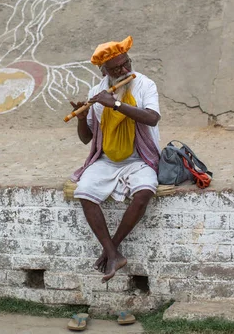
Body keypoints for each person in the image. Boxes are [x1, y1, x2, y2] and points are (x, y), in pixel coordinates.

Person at [70, 36, 161, 283]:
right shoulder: (96, 92)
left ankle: (111, 250)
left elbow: (152, 118)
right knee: (84, 192)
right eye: (115, 68)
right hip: (107, 160)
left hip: (139, 158)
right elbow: (86, 139)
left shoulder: (144, 84)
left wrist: (117, 104)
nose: (123, 70)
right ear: (104, 71)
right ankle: (113, 254)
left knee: (144, 192)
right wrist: (82, 117)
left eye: (126, 64)